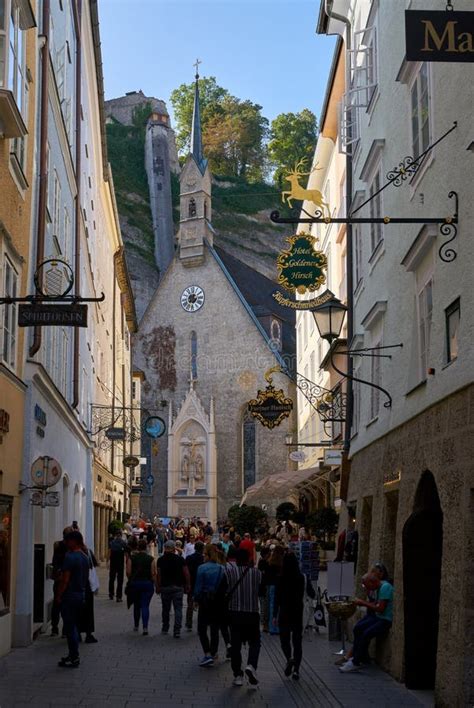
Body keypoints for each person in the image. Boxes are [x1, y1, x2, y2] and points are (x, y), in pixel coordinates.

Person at [339, 572, 394, 673]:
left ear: (372, 582)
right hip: (378, 617)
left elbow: (380, 608)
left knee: (366, 634)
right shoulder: (379, 587)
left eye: (367, 586)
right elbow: (376, 603)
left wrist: (363, 603)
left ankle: (356, 662)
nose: (366, 588)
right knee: (358, 628)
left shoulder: (385, 588)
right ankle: (361, 657)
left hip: (385, 619)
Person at [223, 547, 262, 688]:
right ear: (249, 559)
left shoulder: (229, 572)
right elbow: (261, 592)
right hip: (252, 613)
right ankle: (251, 665)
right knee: (255, 642)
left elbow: (223, 590)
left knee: (236, 645)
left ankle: (238, 675)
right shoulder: (257, 573)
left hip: (234, 613)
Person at [55, 530, 90, 668]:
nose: (65, 542)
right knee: (73, 625)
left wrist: (58, 595)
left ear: (74, 541)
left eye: (67, 540)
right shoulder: (84, 556)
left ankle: (74, 656)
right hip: (80, 594)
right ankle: (72, 655)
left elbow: (65, 580)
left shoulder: (70, 557)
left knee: (70, 627)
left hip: (69, 595)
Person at [273, 553, 305, 680]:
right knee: (297, 642)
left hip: (284, 611)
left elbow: (277, 598)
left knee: (284, 640)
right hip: (297, 611)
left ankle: (289, 658)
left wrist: (275, 614)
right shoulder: (301, 578)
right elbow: (302, 594)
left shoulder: (280, 578)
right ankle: (296, 670)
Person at [193, 544, 226, 667]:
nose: (203, 555)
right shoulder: (222, 568)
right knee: (214, 628)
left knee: (202, 628)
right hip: (218, 601)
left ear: (208, 555)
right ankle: (213, 652)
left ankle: (207, 653)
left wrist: (196, 599)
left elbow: (198, 587)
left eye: (204, 554)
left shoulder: (202, 568)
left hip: (205, 601)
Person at [156, 539, 190, 638]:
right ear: (174, 548)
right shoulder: (180, 559)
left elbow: (159, 575)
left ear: (165, 548)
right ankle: (177, 630)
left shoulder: (160, 560)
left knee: (165, 609)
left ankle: (165, 627)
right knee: (178, 609)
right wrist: (188, 584)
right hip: (178, 587)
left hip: (165, 587)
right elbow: (186, 573)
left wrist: (158, 586)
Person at [126, 538, 157, 635]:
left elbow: (128, 572)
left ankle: (136, 625)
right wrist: (156, 585)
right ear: (146, 547)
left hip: (135, 584)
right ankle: (145, 627)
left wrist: (131, 579)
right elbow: (153, 573)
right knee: (145, 606)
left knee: (136, 605)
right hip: (147, 584)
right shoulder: (151, 559)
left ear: (138, 547)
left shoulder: (132, 558)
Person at [50, 526, 73, 636]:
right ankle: (64, 629)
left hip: (59, 578)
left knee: (57, 603)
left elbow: (54, 562)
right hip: (67, 579)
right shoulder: (71, 548)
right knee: (66, 605)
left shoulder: (57, 545)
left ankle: (54, 628)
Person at [185, 540, 204, 631]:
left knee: (190, 603)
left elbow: (186, 571)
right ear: (202, 549)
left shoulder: (189, 558)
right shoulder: (204, 559)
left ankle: (189, 623)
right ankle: (201, 624)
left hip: (192, 582)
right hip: (201, 584)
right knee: (202, 605)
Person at [108, 529, 127, 602]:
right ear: (121, 534)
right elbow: (125, 553)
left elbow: (109, 552)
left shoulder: (112, 542)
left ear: (116, 535)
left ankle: (111, 593)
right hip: (120, 563)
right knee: (120, 580)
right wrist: (126, 562)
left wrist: (108, 561)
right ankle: (119, 596)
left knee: (112, 578)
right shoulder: (123, 543)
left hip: (113, 562)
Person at [257, 546, 271, 632]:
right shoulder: (264, 563)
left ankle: (263, 622)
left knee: (263, 605)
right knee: (264, 605)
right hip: (264, 587)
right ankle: (264, 623)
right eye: (269, 553)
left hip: (262, 587)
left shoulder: (261, 562)